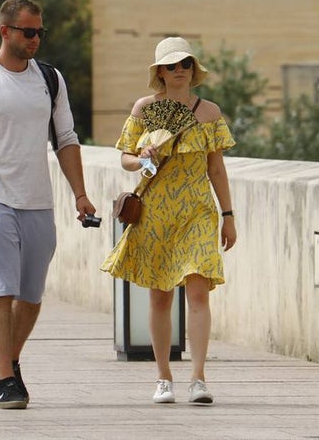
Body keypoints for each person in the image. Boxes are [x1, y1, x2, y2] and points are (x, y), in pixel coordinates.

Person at [0, 0, 95, 410]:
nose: (35, 40)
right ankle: (5, 378)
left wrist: (79, 194)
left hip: (38, 199)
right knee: (1, 288)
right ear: (5, 31)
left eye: (39, 33)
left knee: (30, 295)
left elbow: (66, 139)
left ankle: (11, 358)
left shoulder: (50, 79)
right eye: (28, 32)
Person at [101, 36, 237, 405]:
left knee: (198, 291)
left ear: (194, 69)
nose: (179, 71)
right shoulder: (144, 109)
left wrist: (228, 216)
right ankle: (163, 377)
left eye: (186, 64)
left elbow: (216, 169)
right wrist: (144, 156)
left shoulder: (209, 112)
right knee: (160, 295)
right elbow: (126, 160)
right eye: (172, 66)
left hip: (197, 210)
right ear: (160, 72)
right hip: (156, 210)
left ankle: (198, 378)